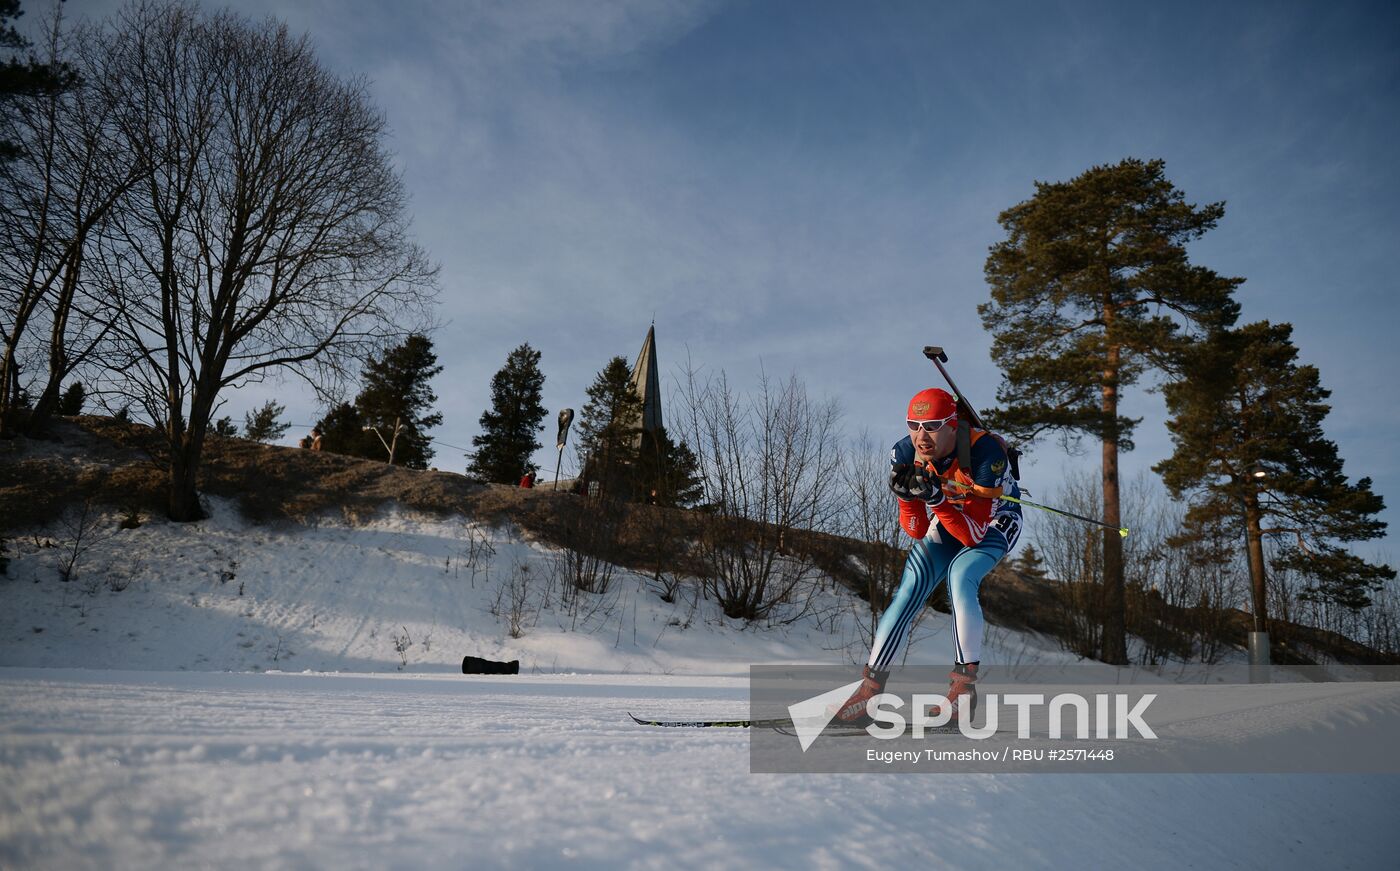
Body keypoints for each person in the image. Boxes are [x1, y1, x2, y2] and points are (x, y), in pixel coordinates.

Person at [835, 387, 1023, 725]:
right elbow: (916, 530)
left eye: (933, 425)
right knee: (909, 586)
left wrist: (935, 499)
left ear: (953, 425)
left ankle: (963, 692)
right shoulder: (904, 451)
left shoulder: (985, 452)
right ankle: (869, 690)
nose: (922, 436)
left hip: (994, 519)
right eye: (913, 424)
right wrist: (907, 498)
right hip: (950, 514)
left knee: (959, 576)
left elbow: (974, 535)